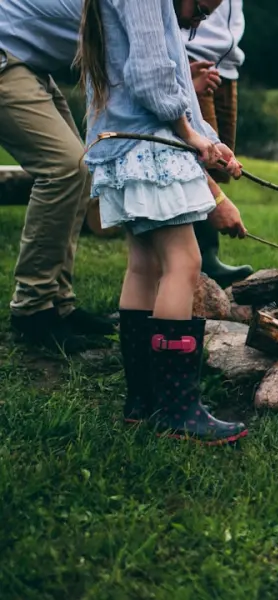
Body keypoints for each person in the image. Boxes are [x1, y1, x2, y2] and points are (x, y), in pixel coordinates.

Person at [77, 0, 249, 445]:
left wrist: (212, 144)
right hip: (147, 146)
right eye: (202, 6)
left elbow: (170, 85)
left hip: (122, 143)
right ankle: (177, 409)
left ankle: (144, 401)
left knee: (144, 267)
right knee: (184, 264)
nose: (203, 18)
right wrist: (194, 139)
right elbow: (152, 77)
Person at [0, 0, 117, 353]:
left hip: (32, 65)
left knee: (80, 169)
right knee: (65, 167)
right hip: (6, 58)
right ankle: (32, 308)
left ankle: (58, 302)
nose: (198, 22)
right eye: (200, 11)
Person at [183, 0, 253, 288]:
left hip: (228, 63)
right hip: (193, 55)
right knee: (197, 157)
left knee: (219, 164)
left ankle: (204, 255)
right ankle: (197, 256)